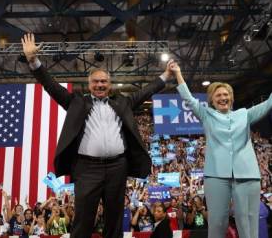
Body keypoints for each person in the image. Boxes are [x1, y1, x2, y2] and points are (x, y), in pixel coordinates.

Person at [21, 33, 173, 238]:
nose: (100, 85)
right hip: (87, 168)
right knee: (83, 220)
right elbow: (51, 86)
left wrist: (165, 75)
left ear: (109, 84)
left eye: (104, 81)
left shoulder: (122, 102)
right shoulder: (77, 102)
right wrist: (33, 61)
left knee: (114, 220)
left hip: (118, 167)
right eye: (96, 82)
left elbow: (146, 92)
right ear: (89, 83)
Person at [166, 59, 272, 238]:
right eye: (218, 96)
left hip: (246, 174)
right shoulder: (206, 115)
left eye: (226, 94)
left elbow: (269, 103)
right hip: (216, 175)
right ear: (212, 101)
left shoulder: (244, 114)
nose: (223, 98)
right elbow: (188, 98)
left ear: (231, 98)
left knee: (247, 219)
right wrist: (177, 73)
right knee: (217, 221)